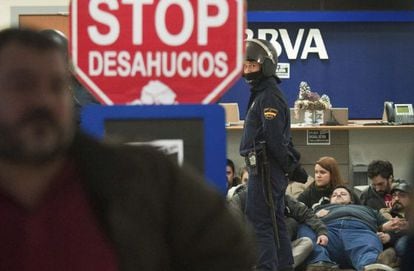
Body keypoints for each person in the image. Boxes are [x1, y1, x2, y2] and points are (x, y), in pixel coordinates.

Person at [0, 27, 256, 271]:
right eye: (23, 85)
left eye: (56, 86)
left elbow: (229, 247)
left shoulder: (137, 175)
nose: (44, 101)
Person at [239, 38, 304, 271]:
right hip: (265, 169)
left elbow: (276, 139)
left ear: (266, 66)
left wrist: (290, 166)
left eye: (252, 66)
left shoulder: (268, 96)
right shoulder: (262, 93)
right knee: (274, 221)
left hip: (267, 170)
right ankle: (285, 266)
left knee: (261, 222)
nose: (248, 71)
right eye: (245, 66)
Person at [301, 186, 397, 271]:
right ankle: (319, 263)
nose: (338, 195)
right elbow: (304, 217)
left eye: (343, 194)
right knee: (305, 226)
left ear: (351, 199)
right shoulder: (319, 208)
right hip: (328, 234)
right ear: (330, 200)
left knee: (367, 250)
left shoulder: (368, 209)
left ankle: (371, 265)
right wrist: (315, 215)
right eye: (334, 195)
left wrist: (389, 231)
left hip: (359, 232)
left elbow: (387, 225)